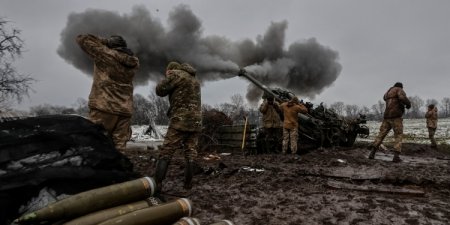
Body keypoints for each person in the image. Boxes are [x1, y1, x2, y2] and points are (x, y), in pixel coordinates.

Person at [76, 34, 139, 153]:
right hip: (125, 110)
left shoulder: (105, 55)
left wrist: (104, 41)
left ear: (111, 46)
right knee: (119, 149)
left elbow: (82, 38)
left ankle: (98, 171)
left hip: (104, 107)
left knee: (96, 145)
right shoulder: (133, 62)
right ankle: (119, 170)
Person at [153, 62, 202, 194]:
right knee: (190, 153)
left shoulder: (176, 75)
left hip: (180, 120)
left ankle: (157, 183)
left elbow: (159, 90)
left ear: (171, 69)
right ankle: (188, 184)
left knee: (166, 152)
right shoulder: (194, 79)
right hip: (196, 121)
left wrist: (169, 76)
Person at [368, 82, 411, 162]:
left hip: (387, 117)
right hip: (396, 117)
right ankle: (396, 157)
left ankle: (372, 153)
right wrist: (408, 104)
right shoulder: (399, 89)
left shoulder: (388, 91)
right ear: (401, 87)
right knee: (398, 135)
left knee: (381, 135)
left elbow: (384, 98)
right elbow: (402, 97)